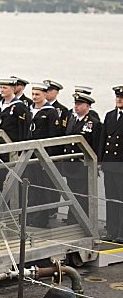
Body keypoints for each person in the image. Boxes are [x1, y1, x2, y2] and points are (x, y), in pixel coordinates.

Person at [64, 92, 102, 225]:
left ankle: (82, 219)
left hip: (83, 164)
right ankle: (72, 218)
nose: (76, 106)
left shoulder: (93, 123)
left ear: (87, 106)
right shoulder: (72, 120)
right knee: (72, 192)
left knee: (82, 194)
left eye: (79, 104)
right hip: (71, 163)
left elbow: (96, 145)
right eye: (75, 104)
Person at [27, 83, 60, 228]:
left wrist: (47, 157)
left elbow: (53, 136)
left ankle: (41, 219)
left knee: (41, 188)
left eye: (37, 94)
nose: (34, 97)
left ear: (45, 95)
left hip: (42, 155)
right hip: (30, 154)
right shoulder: (30, 110)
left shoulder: (51, 112)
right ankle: (29, 216)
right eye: (33, 94)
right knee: (31, 187)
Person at [100, 85, 123, 242]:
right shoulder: (109, 116)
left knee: (121, 200)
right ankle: (111, 230)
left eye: (121, 97)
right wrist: (100, 160)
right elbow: (103, 139)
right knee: (111, 199)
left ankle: (121, 233)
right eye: (117, 97)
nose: (119, 99)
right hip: (109, 164)